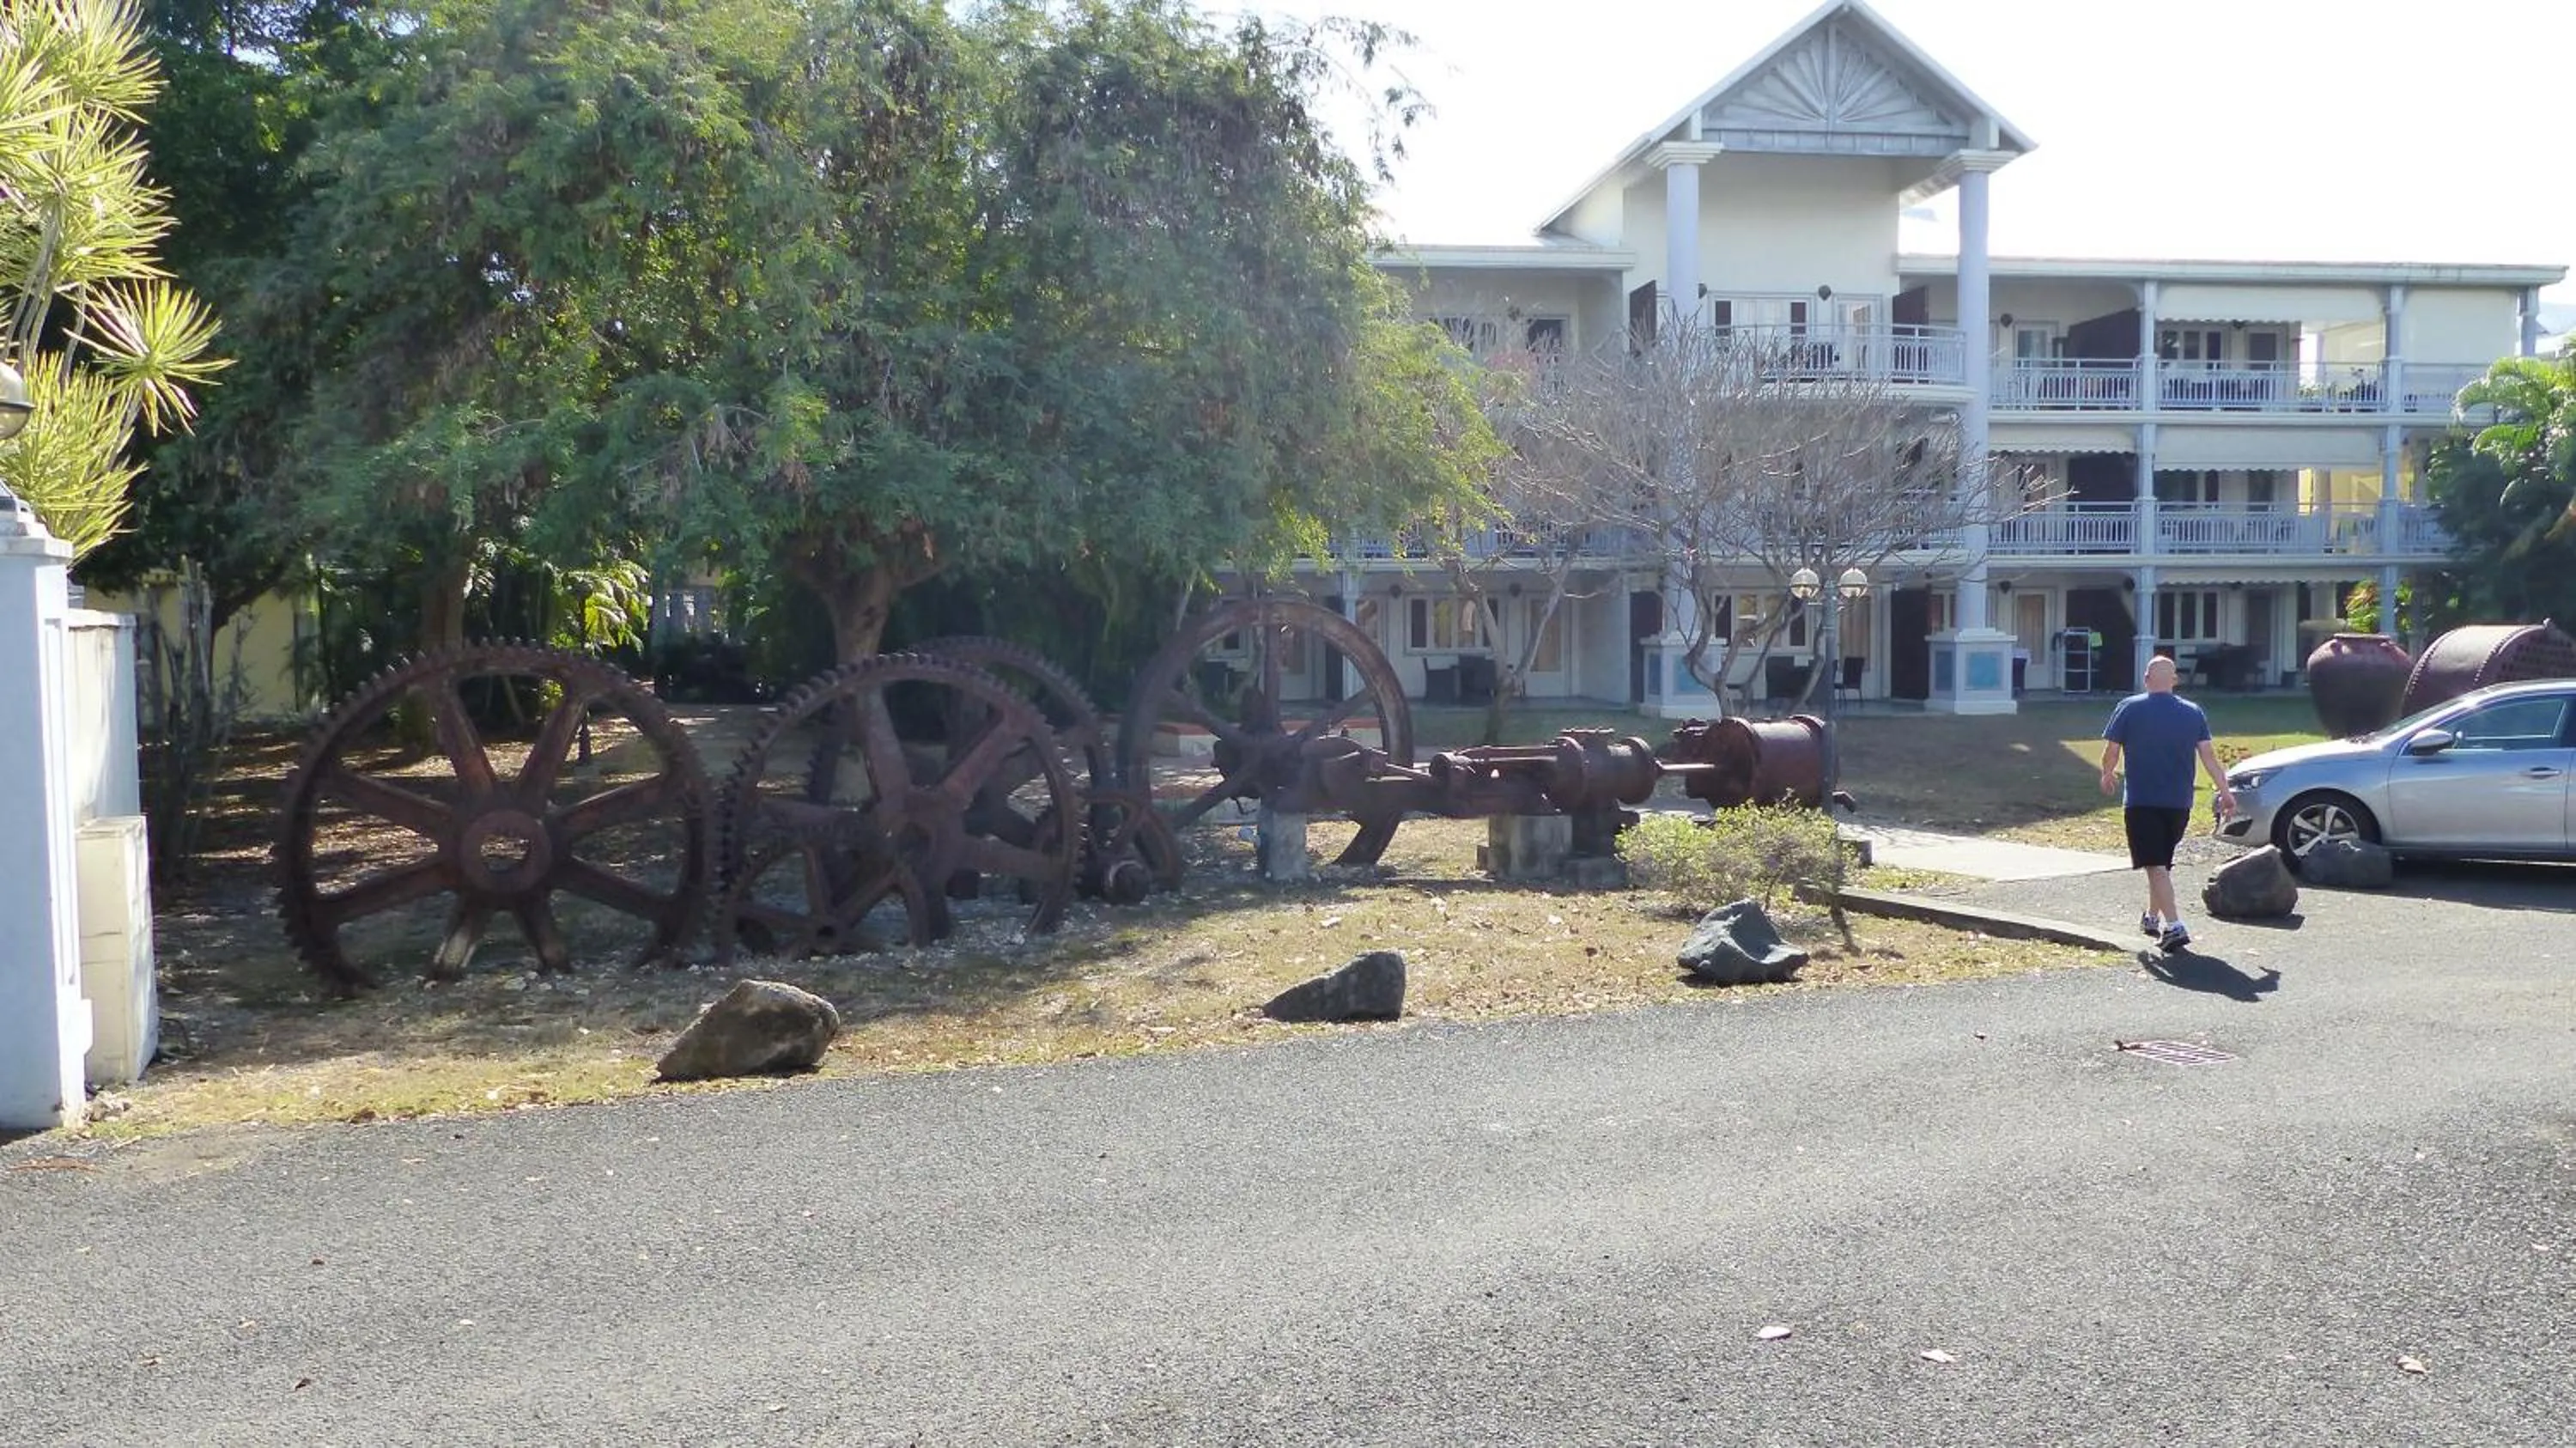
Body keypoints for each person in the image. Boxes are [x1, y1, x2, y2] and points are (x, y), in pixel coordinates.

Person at [2099, 655, 2234, 952]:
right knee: (2159, 863)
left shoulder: (2129, 708)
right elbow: (2209, 758)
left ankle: (2174, 925)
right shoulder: (2193, 712)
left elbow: (2112, 749)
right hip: (2179, 804)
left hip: (2142, 801)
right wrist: (2225, 791)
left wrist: (2108, 773)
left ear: (2146, 679)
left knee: (2154, 864)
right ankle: (2151, 917)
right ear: (2174, 680)